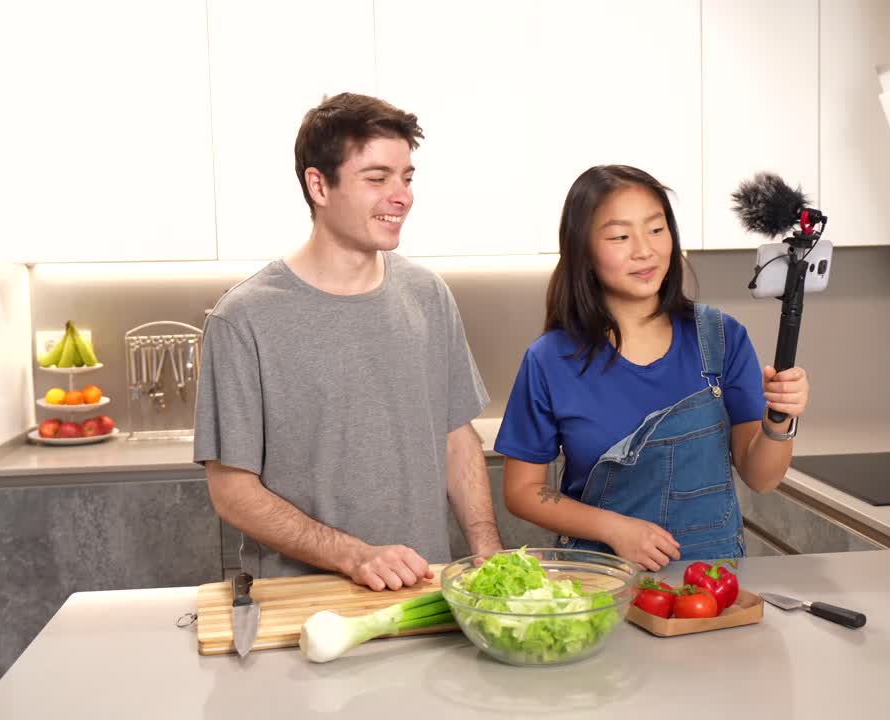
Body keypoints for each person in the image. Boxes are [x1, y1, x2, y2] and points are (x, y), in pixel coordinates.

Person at [194, 93, 502, 589]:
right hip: (302, 602)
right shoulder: (243, 319)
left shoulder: (428, 296)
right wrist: (354, 556)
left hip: (423, 591)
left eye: (406, 177)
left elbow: (455, 442)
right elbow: (232, 490)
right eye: (377, 179)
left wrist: (489, 553)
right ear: (319, 184)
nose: (401, 196)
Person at [495, 165, 810, 571]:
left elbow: (762, 478)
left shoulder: (720, 337)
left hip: (710, 584)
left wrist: (779, 418)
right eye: (620, 236)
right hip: (598, 583)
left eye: (656, 230)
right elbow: (522, 491)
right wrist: (613, 528)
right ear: (584, 251)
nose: (644, 250)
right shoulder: (550, 360)